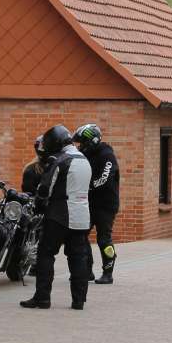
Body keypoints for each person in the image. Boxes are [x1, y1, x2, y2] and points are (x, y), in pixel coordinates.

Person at [21, 125, 92, 311]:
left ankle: (42, 299)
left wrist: (39, 206)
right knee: (78, 257)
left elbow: (45, 188)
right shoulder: (84, 159)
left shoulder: (60, 160)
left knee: (46, 254)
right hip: (82, 216)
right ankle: (79, 301)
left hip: (59, 215)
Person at [73, 123, 120, 284]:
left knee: (103, 238)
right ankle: (87, 270)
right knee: (81, 235)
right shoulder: (84, 154)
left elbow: (104, 178)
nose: (80, 146)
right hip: (89, 203)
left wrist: (89, 186)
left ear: (91, 141)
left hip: (106, 204)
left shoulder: (107, 155)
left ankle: (108, 273)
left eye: (82, 143)